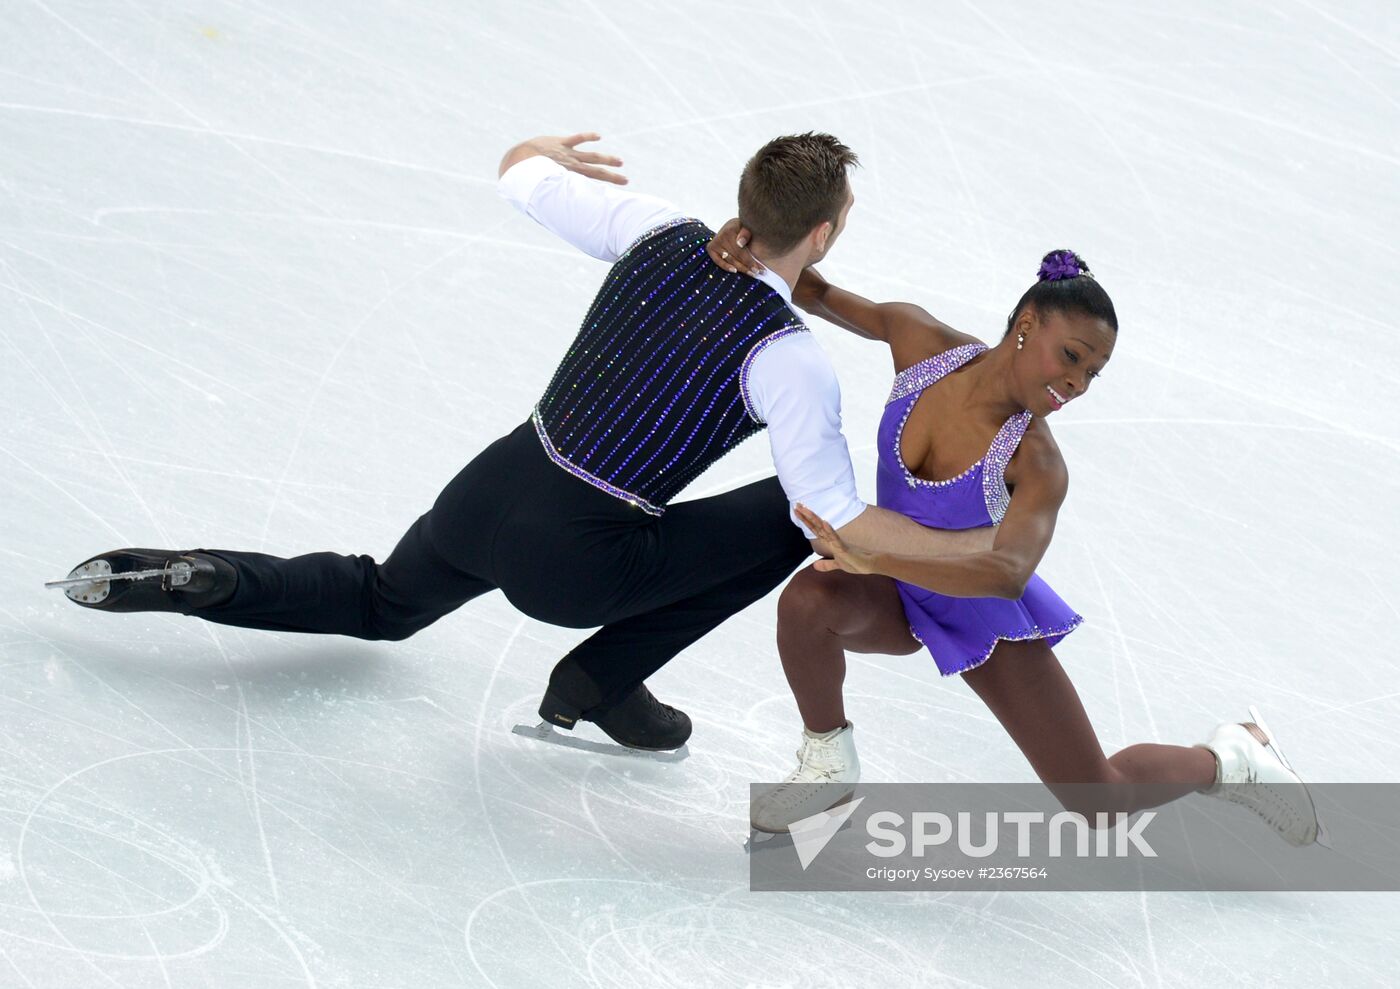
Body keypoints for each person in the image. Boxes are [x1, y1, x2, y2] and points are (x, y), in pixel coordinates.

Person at [54, 131, 990, 753]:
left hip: (494, 485)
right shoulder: (790, 358)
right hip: (578, 561)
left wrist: (543, 149)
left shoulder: (657, 229)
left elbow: (521, 175)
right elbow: (830, 516)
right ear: (821, 234)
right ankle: (599, 675)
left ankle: (206, 576)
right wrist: (960, 548)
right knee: (789, 525)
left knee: (380, 599)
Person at [704, 229, 1322, 845]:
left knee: (1099, 803)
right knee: (807, 602)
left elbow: (1006, 573)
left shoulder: (1037, 462)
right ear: (1027, 324)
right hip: (888, 589)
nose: (1077, 383)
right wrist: (745, 245)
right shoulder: (922, 344)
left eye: (1092, 374)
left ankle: (1230, 757)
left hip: (980, 612)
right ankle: (829, 764)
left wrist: (874, 555)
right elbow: (811, 289)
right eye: (1072, 357)